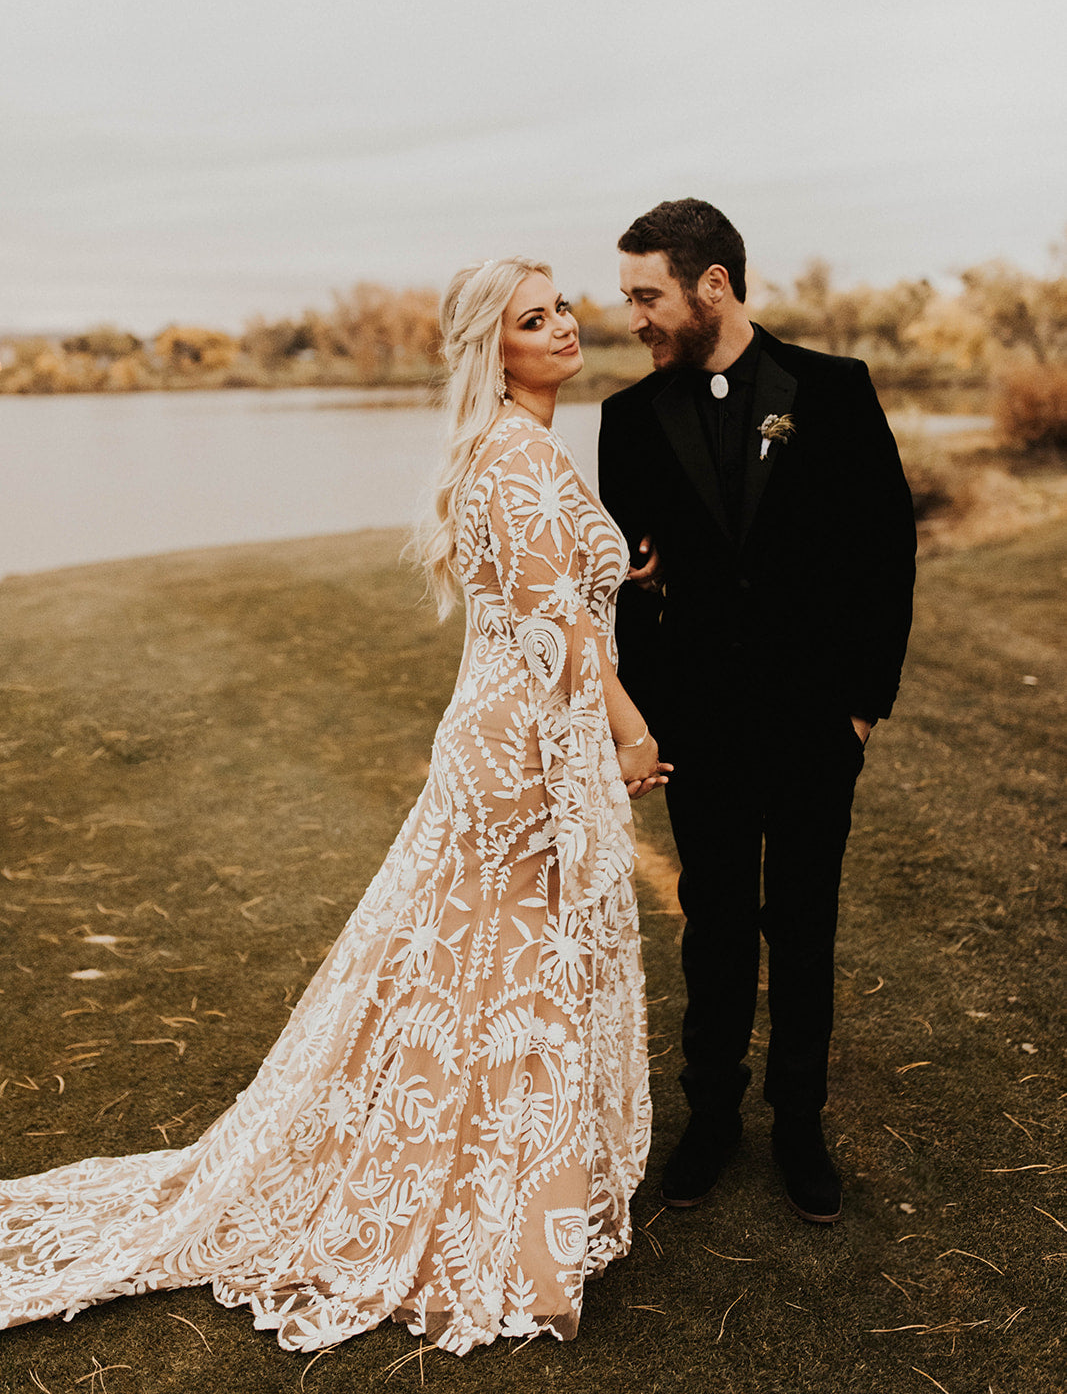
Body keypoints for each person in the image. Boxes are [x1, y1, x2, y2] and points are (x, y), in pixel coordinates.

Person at [0, 258, 669, 1356]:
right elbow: (559, 647)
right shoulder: (512, 458)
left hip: (502, 731)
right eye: (533, 318)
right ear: (490, 348)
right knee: (510, 973)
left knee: (489, 969)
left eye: (560, 309)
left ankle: (506, 1184)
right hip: (519, 748)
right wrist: (626, 738)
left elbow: (548, 606)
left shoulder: (519, 452)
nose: (564, 327)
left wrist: (614, 577)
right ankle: (493, 1220)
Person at [598, 199, 916, 1223]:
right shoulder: (625, 419)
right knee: (715, 921)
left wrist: (860, 707)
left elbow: (885, 553)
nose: (632, 317)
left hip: (816, 721)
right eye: (626, 298)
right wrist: (648, 717)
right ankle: (710, 1114)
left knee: (806, 920)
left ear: (714, 286)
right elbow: (633, 584)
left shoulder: (831, 390)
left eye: (646, 294)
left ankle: (798, 1122)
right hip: (702, 727)